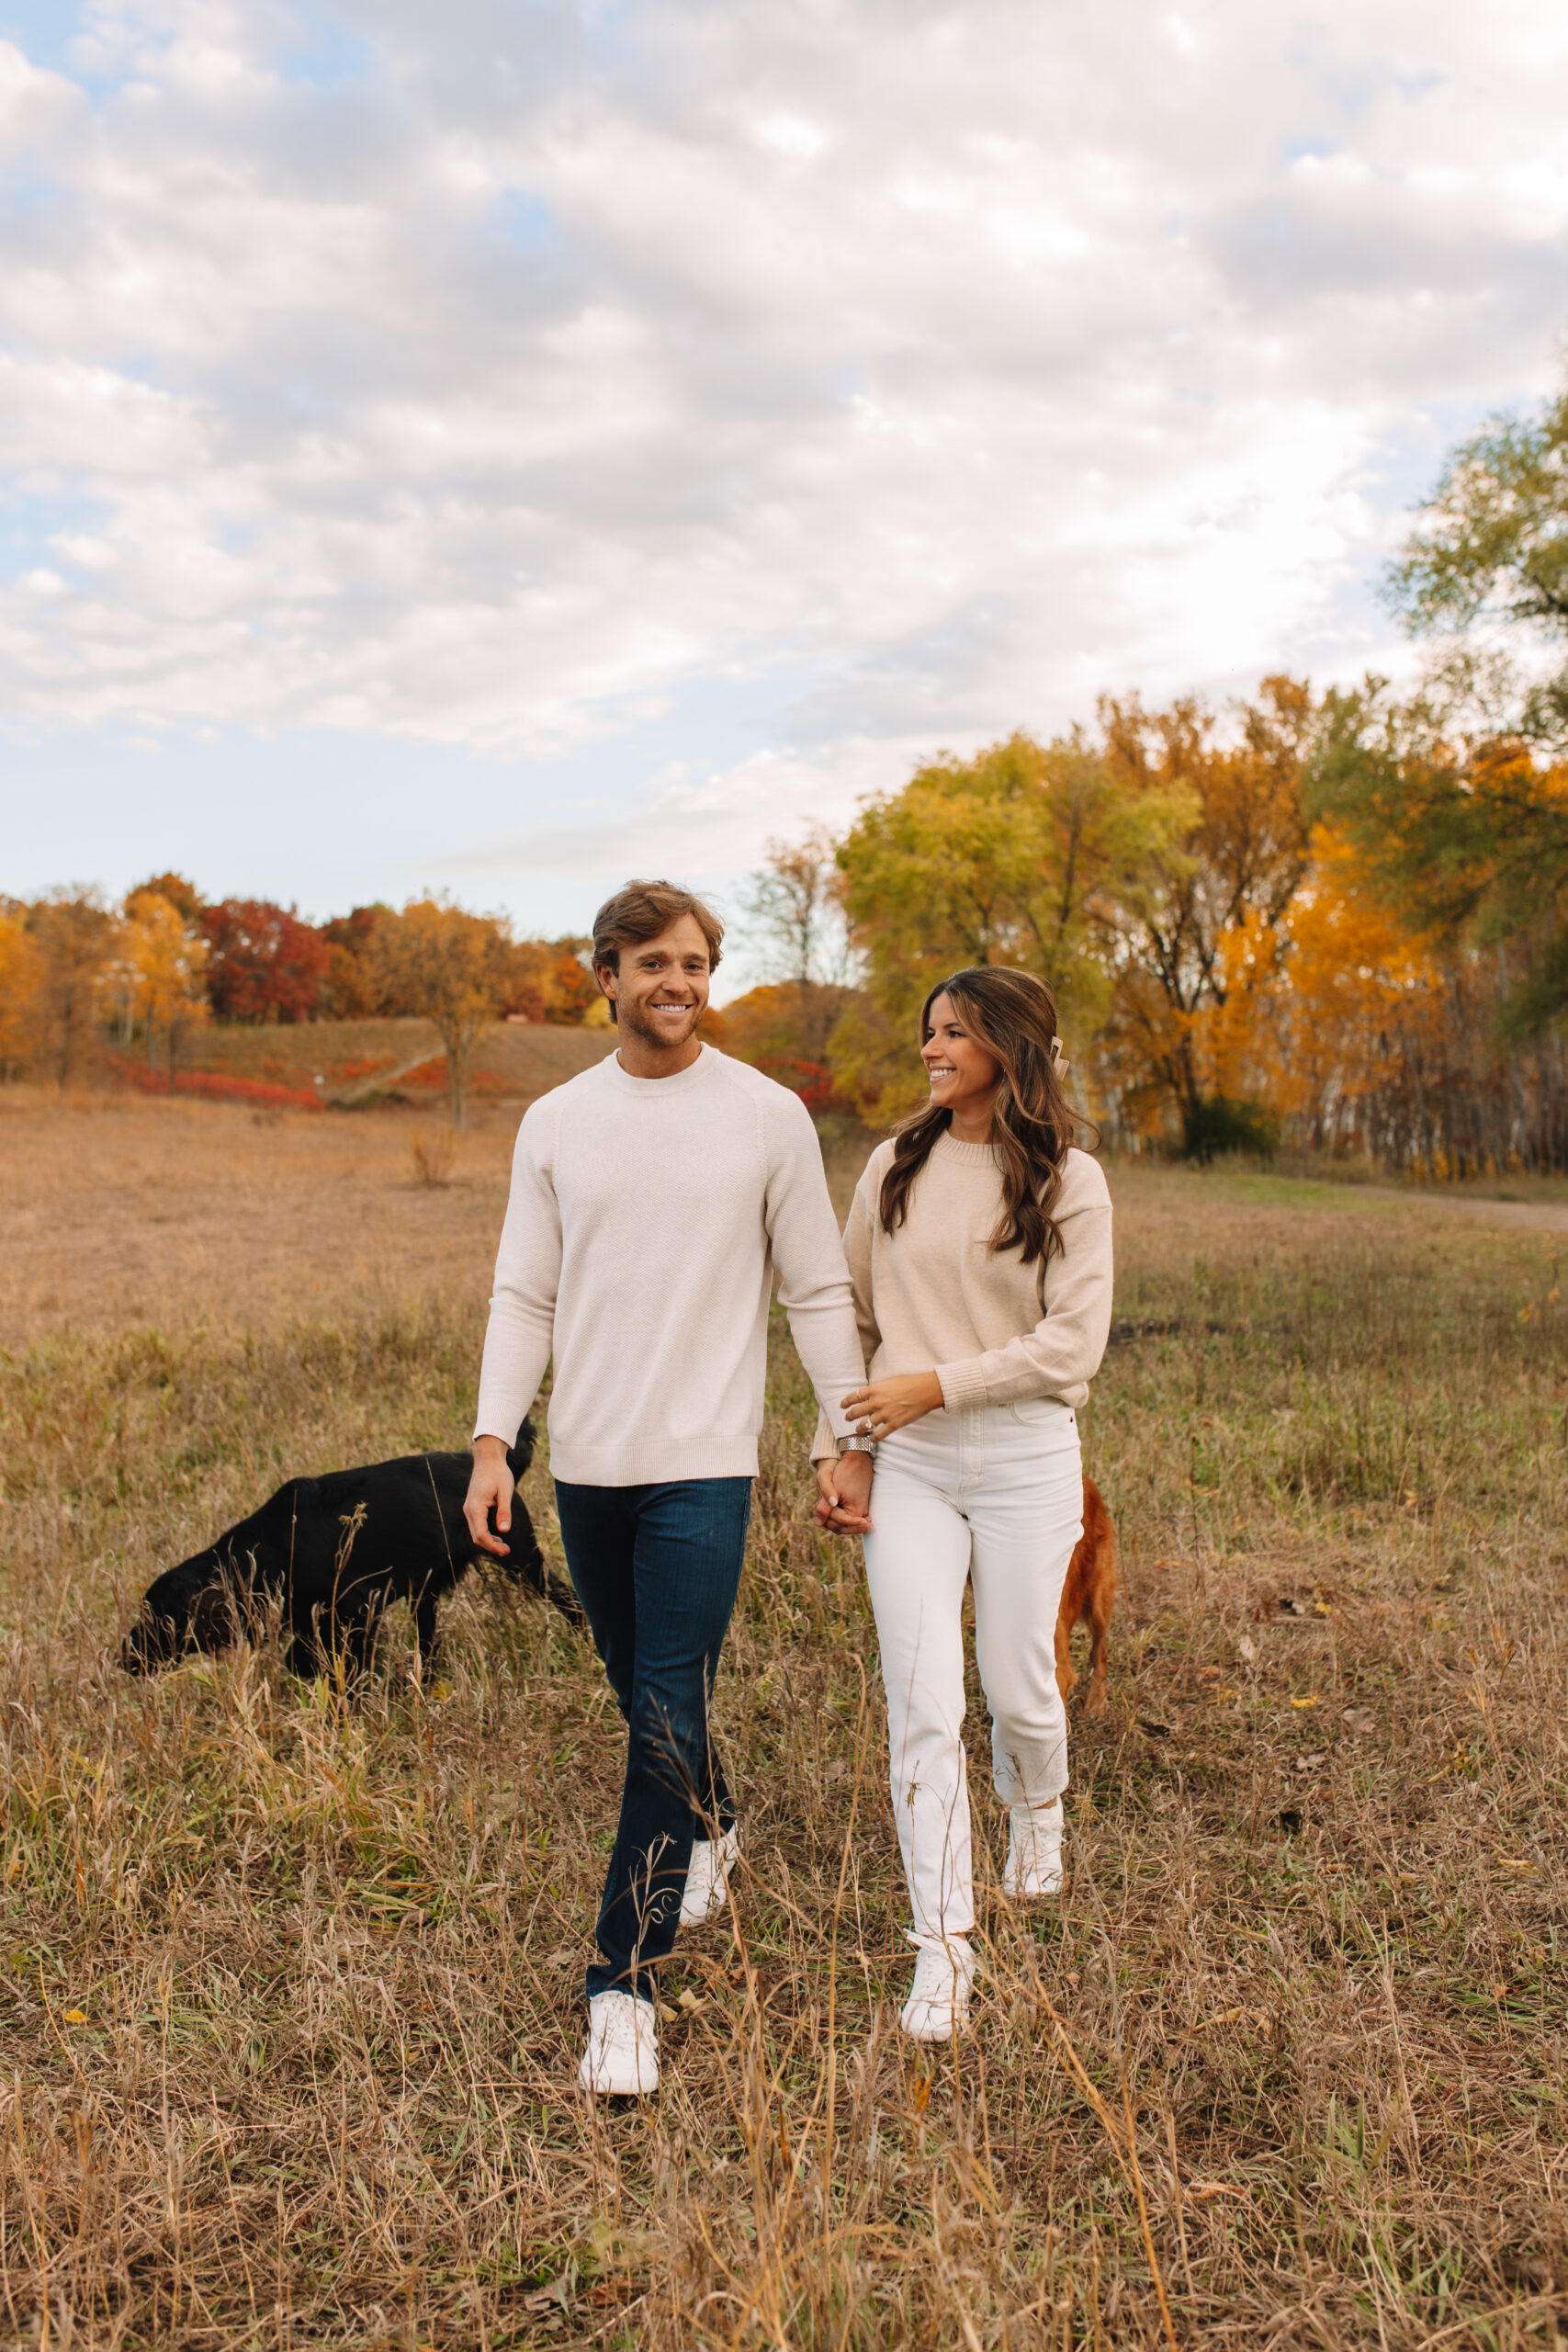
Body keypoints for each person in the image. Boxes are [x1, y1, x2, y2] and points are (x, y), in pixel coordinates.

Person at [464, 879, 872, 2098]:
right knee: (653, 1698)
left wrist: (837, 1436)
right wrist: (494, 1444)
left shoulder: (764, 1116)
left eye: (694, 964)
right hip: (588, 1462)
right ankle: (717, 1819)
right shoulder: (555, 1122)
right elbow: (521, 1294)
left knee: (656, 1715)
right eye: (652, 963)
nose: (677, 984)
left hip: (701, 1466)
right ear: (605, 975)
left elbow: (812, 1290)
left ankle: (620, 1987)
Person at [813, 967, 1112, 2042]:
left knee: (1020, 1685)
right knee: (922, 1700)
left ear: (1012, 1048)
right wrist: (841, 1445)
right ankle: (941, 1948)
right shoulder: (893, 1164)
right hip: (913, 1463)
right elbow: (843, 1312)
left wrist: (936, 1380)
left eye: (954, 1034)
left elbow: (1071, 1345)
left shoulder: (1071, 1179)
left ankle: (1040, 1813)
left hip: (1029, 1455)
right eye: (928, 1032)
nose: (933, 1050)